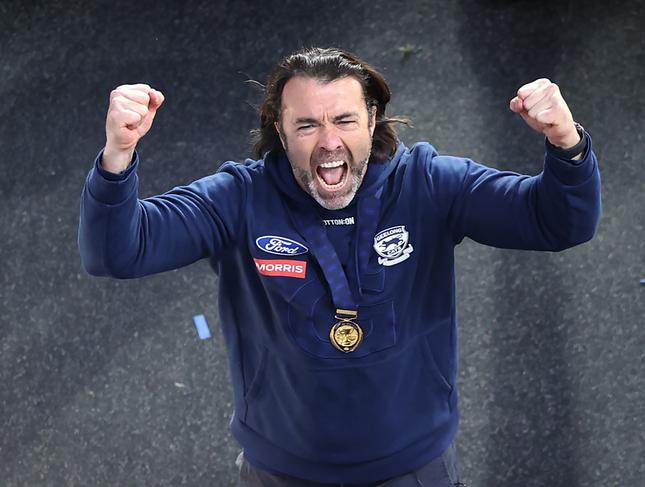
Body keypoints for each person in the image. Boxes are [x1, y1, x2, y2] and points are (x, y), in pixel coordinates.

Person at [78, 47, 601, 486]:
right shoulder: (238, 198)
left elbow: (558, 224)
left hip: (413, 469)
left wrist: (565, 143)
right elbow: (118, 252)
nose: (329, 142)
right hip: (281, 471)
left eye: (344, 120)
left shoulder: (429, 184)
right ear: (280, 132)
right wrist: (117, 156)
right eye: (306, 124)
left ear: (372, 120)